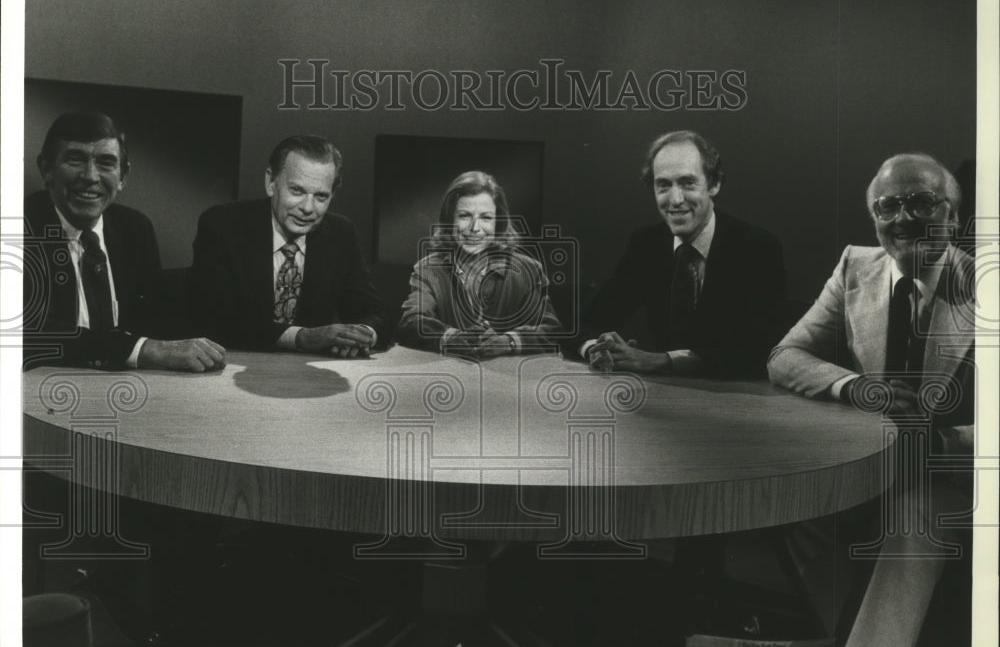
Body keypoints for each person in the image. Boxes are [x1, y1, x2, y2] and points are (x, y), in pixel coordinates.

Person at [768, 152, 975, 647]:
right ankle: (871, 644)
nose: (903, 218)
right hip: (874, 466)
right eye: (887, 207)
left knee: (912, 516)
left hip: (956, 475)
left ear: (952, 216)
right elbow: (784, 357)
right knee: (794, 510)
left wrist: (940, 444)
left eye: (922, 202)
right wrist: (856, 388)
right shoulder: (855, 266)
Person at [23, 111, 225, 372]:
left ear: (123, 177)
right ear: (46, 169)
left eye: (106, 163)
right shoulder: (18, 227)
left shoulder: (135, 229)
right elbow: (28, 334)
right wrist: (142, 350)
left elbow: (155, 322)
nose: (90, 176)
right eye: (75, 160)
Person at [574, 130, 786, 377]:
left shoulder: (756, 247)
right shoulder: (646, 244)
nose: (675, 200)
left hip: (736, 395)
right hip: (666, 394)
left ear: (714, 184)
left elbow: (762, 352)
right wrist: (597, 349)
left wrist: (660, 361)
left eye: (688, 183)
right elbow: (586, 324)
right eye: (663, 185)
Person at [191, 134, 389, 354]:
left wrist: (362, 335)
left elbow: (374, 313)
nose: (308, 208)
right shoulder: (222, 225)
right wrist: (301, 337)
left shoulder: (341, 233)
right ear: (271, 182)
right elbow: (215, 320)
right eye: (297, 191)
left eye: (321, 197)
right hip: (235, 362)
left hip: (309, 370)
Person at [397, 171, 563, 358]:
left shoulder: (529, 270)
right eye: (465, 216)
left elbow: (551, 330)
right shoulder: (427, 269)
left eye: (486, 217)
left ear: (498, 223)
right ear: (449, 220)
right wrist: (451, 337)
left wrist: (508, 341)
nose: (475, 228)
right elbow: (411, 322)